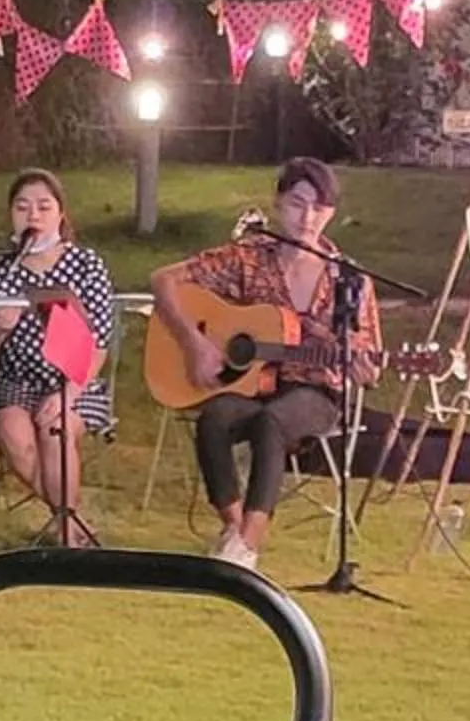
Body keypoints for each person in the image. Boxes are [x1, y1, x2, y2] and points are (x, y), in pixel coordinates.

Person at [150, 156, 379, 573]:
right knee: (215, 417)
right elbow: (162, 280)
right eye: (297, 203)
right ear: (278, 203)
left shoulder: (349, 280)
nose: (307, 217)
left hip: (315, 392)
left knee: (269, 424)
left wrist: (362, 364)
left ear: (331, 213)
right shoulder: (248, 257)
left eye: (319, 208)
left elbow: (369, 359)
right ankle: (235, 529)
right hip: (251, 384)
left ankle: (246, 547)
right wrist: (195, 343)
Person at [0, 169, 117, 550]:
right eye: (23, 207)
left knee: (56, 429)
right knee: (16, 436)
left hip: (73, 377)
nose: (33, 215)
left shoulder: (85, 265)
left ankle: (65, 535)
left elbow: (98, 344)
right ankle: (71, 524)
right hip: (11, 381)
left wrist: (68, 393)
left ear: (60, 215)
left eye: (43, 207)